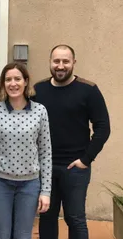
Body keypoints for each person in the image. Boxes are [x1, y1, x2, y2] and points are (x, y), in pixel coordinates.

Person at [34, 45, 110, 239]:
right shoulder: (38, 90)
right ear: (50, 62)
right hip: (45, 167)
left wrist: (86, 159)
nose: (60, 66)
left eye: (65, 61)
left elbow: (103, 127)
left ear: (73, 63)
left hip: (75, 168)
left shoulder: (89, 90)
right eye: (56, 61)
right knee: (47, 216)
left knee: (75, 217)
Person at [0, 62, 52, 239]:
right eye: (8, 79)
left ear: (26, 81)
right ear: (3, 83)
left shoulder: (40, 111)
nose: (13, 83)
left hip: (29, 185)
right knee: (1, 235)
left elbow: (45, 153)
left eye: (17, 79)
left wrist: (45, 191)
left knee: (22, 235)